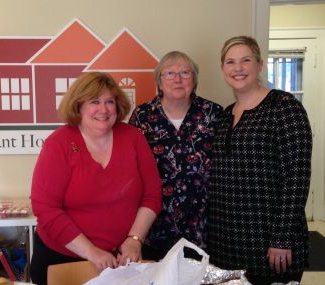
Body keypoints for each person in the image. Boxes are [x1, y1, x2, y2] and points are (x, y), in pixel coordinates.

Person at [30, 72, 162, 285]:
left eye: (109, 101)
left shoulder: (133, 137)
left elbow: (152, 195)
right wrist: (91, 252)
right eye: (95, 102)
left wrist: (134, 239)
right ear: (78, 106)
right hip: (62, 260)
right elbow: (46, 209)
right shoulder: (59, 144)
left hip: (121, 259)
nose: (104, 109)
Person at [208, 36, 312, 285]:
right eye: (230, 62)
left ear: (259, 64)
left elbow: (296, 177)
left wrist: (282, 238)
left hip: (270, 243)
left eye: (246, 60)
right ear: (223, 68)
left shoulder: (284, 108)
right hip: (226, 242)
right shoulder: (224, 115)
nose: (238, 68)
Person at [129, 51, 222, 261]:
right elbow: (130, 168)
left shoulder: (213, 114)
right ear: (159, 82)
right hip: (155, 225)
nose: (177, 79)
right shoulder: (142, 116)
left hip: (203, 227)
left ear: (194, 80)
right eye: (169, 73)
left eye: (185, 73)